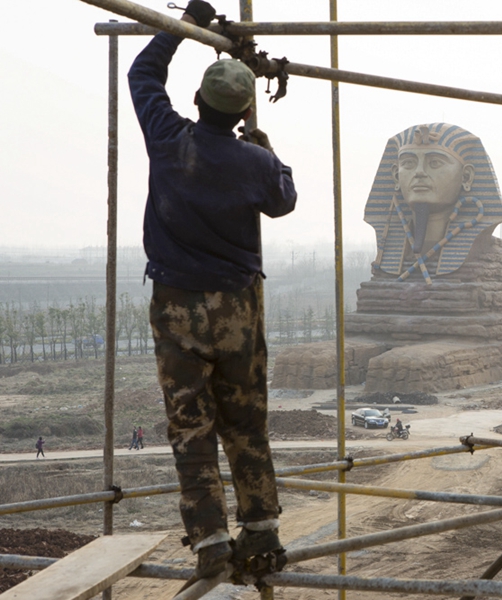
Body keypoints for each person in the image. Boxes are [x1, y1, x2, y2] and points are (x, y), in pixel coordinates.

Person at [128, 0, 298, 580]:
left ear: (199, 101)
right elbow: (284, 200)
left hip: (176, 304)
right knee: (245, 420)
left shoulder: (170, 138)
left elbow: (142, 76)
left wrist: (185, 29)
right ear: (242, 107)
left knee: (190, 423)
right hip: (237, 309)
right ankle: (262, 530)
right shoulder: (254, 162)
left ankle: (209, 541)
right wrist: (265, 144)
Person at [363, 123, 502, 282]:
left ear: (466, 177)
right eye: (409, 163)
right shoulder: (385, 263)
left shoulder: (479, 267)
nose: (419, 172)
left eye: (435, 163)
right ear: (396, 176)